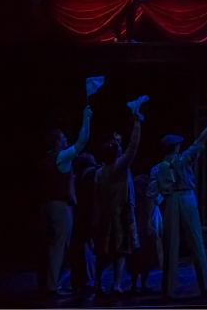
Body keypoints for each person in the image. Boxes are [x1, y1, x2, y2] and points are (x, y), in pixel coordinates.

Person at [146, 94, 207, 298]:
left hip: (170, 201)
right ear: (177, 146)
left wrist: (150, 217)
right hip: (186, 198)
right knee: (196, 240)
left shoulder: (156, 168)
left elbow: (151, 194)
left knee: (170, 245)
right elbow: (201, 139)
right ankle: (205, 286)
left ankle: (168, 289)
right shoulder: (184, 158)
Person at [39, 105, 93, 297]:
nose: (66, 140)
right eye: (63, 138)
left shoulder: (45, 159)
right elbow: (81, 142)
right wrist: (86, 117)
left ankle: (46, 284)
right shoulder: (60, 157)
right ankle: (52, 287)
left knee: (49, 247)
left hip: (45, 206)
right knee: (58, 247)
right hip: (60, 207)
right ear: (57, 142)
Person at [94, 111, 144, 295]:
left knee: (104, 251)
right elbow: (133, 147)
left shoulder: (100, 172)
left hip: (105, 215)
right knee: (121, 250)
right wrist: (137, 123)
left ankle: (98, 283)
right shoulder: (119, 166)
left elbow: (97, 197)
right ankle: (116, 284)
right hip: (119, 215)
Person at [128, 172, 162, 294]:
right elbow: (155, 203)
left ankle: (135, 284)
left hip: (137, 227)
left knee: (136, 256)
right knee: (144, 256)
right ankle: (142, 284)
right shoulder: (148, 194)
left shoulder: (134, 194)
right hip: (145, 227)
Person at [70, 153, 99, 297]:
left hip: (79, 215)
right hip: (88, 215)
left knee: (81, 248)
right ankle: (89, 280)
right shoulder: (91, 175)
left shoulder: (77, 177)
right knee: (88, 247)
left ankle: (80, 281)